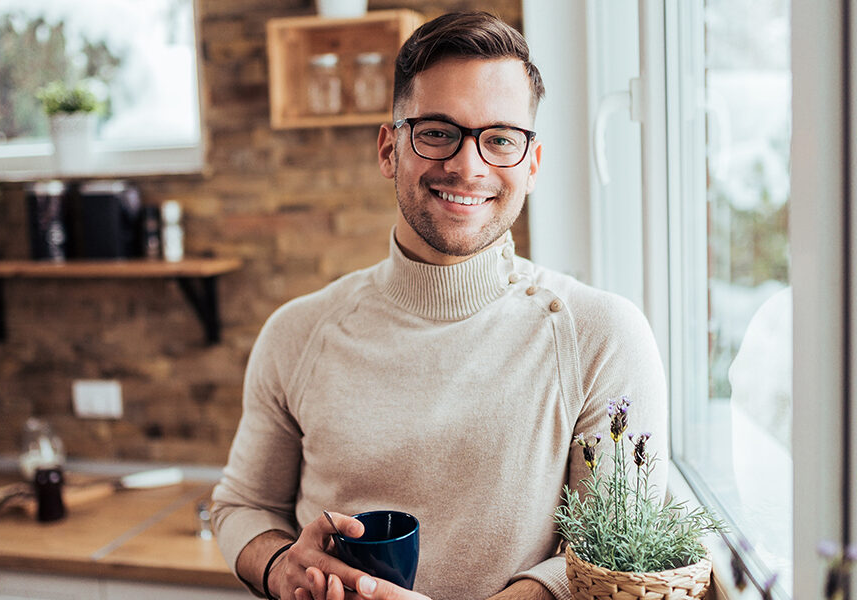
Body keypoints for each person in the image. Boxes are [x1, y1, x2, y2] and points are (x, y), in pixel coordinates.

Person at [210, 11, 668, 600]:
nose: (467, 165)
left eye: (499, 138)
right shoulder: (297, 332)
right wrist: (278, 567)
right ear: (388, 149)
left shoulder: (602, 336)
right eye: (436, 132)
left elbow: (613, 560)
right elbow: (242, 506)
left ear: (531, 164)